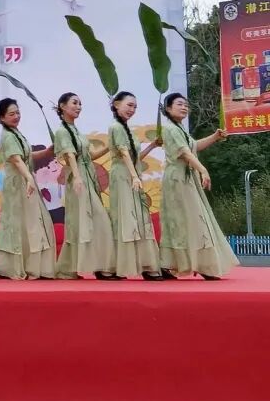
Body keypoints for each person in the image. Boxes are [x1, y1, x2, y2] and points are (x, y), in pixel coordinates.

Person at [158, 92, 239, 279]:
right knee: (181, 221)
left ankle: (195, 264)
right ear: (168, 108)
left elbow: (193, 147)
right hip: (177, 179)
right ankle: (174, 264)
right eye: (179, 104)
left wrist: (215, 136)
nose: (184, 107)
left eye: (186, 105)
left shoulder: (180, 129)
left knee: (193, 219)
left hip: (186, 178)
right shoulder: (169, 129)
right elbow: (185, 153)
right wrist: (203, 170)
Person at [0, 98, 57, 280]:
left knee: (30, 223)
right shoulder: (8, 136)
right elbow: (17, 161)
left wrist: (47, 152)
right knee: (21, 224)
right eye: (11, 114)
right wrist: (29, 178)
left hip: (25, 181)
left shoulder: (16, 133)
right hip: (18, 184)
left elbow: (26, 156)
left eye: (18, 112)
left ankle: (30, 266)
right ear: (2, 117)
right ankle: (10, 267)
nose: (16, 116)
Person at [53, 93, 120, 280]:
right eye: (74, 103)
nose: (79, 106)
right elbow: (69, 155)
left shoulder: (77, 131)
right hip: (79, 181)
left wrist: (109, 146)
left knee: (94, 222)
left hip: (88, 178)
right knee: (87, 222)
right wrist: (76, 177)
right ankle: (83, 267)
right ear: (62, 106)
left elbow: (89, 156)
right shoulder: (62, 132)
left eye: (80, 103)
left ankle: (94, 266)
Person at [108, 92, 165, 280]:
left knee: (140, 218)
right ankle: (121, 266)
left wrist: (152, 146)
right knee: (126, 218)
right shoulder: (116, 127)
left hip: (133, 176)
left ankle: (146, 265)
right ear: (116, 104)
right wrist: (134, 176)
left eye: (134, 107)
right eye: (129, 105)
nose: (132, 110)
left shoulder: (128, 130)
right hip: (122, 176)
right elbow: (124, 154)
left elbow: (134, 158)